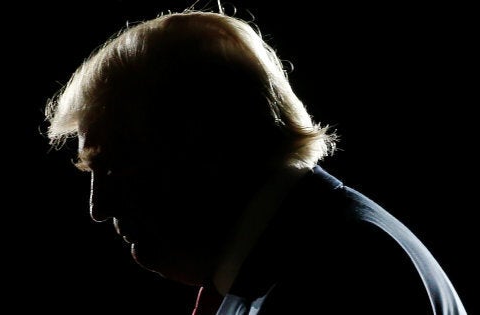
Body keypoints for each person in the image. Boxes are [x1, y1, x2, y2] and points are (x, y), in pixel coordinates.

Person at [44, 8, 467, 315]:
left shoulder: (344, 276)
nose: (99, 208)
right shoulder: (301, 256)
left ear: (207, 145)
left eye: (115, 166)